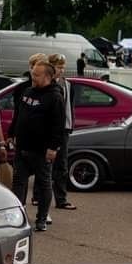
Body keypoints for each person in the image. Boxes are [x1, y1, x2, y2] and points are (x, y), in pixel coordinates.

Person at [10, 61, 65, 232]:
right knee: (18, 182)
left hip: (41, 150)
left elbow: (58, 125)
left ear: (48, 77)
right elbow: (18, 115)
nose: (32, 77)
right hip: (22, 147)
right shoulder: (27, 91)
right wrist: (12, 133)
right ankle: (18, 216)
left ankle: (41, 218)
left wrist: (53, 147)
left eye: (37, 74)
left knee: (43, 183)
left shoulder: (55, 96)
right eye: (32, 73)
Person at [48, 53, 77, 210]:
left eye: (63, 67)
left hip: (64, 129)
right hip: (50, 129)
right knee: (45, 164)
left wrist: (70, 125)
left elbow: (70, 108)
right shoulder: (47, 84)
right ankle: (38, 197)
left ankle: (61, 198)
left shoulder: (68, 85)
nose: (61, 70)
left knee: (62, 165)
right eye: (58, 67)